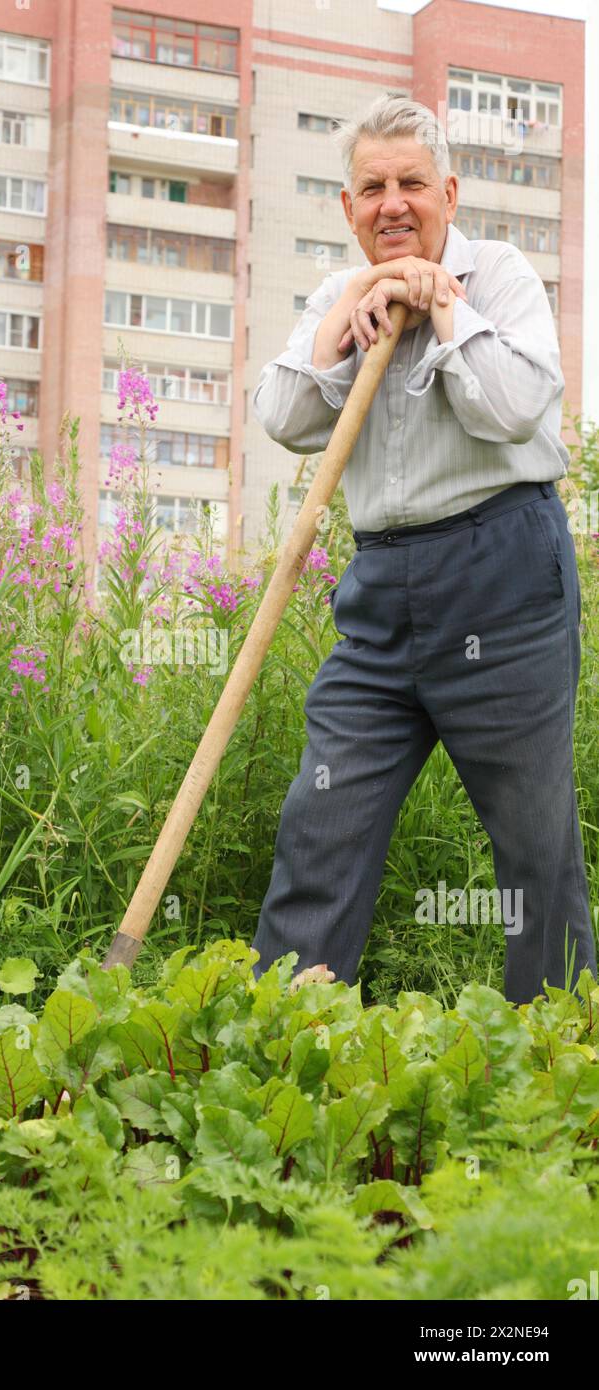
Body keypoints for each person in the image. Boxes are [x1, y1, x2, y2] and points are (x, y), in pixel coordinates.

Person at [249, 95, 597, 1005]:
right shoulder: (337, 295)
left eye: (411, 184)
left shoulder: (504, 276)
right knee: (322, 819)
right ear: (347, 206)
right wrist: (354, 310)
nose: (392, 204)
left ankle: (555, 1065)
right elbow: (285, 418)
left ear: (449, 190)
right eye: (372, 188)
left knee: (533, 845)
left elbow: (508, 409)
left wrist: (442, 307)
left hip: (505, 580)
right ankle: (285, 1041)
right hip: (382, 599)